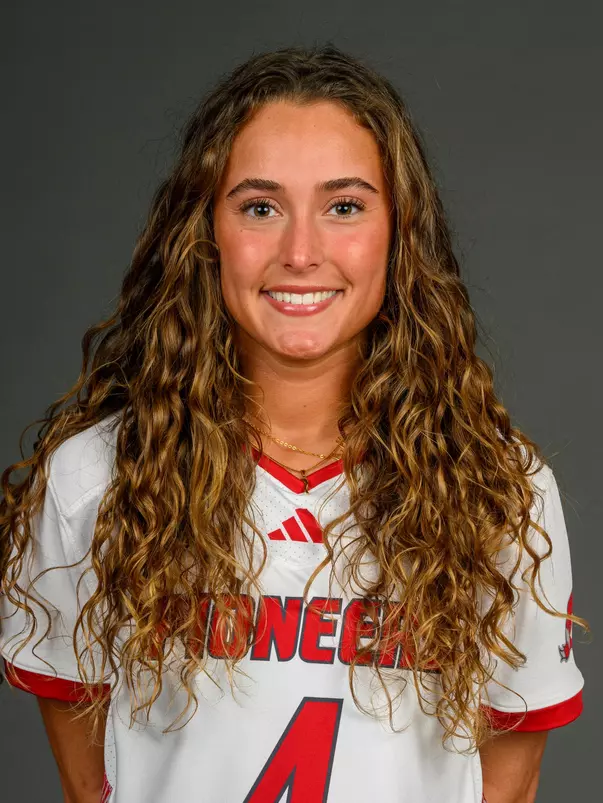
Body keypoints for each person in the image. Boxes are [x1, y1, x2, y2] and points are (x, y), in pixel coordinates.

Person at [0, 44, 587, 803]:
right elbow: (93, 783)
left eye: (344, 206)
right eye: (260, 207)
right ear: (204, 232)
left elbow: (508, 780)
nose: (301, 252)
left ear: (399, 233)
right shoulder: (96, 479)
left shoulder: (499, 492)